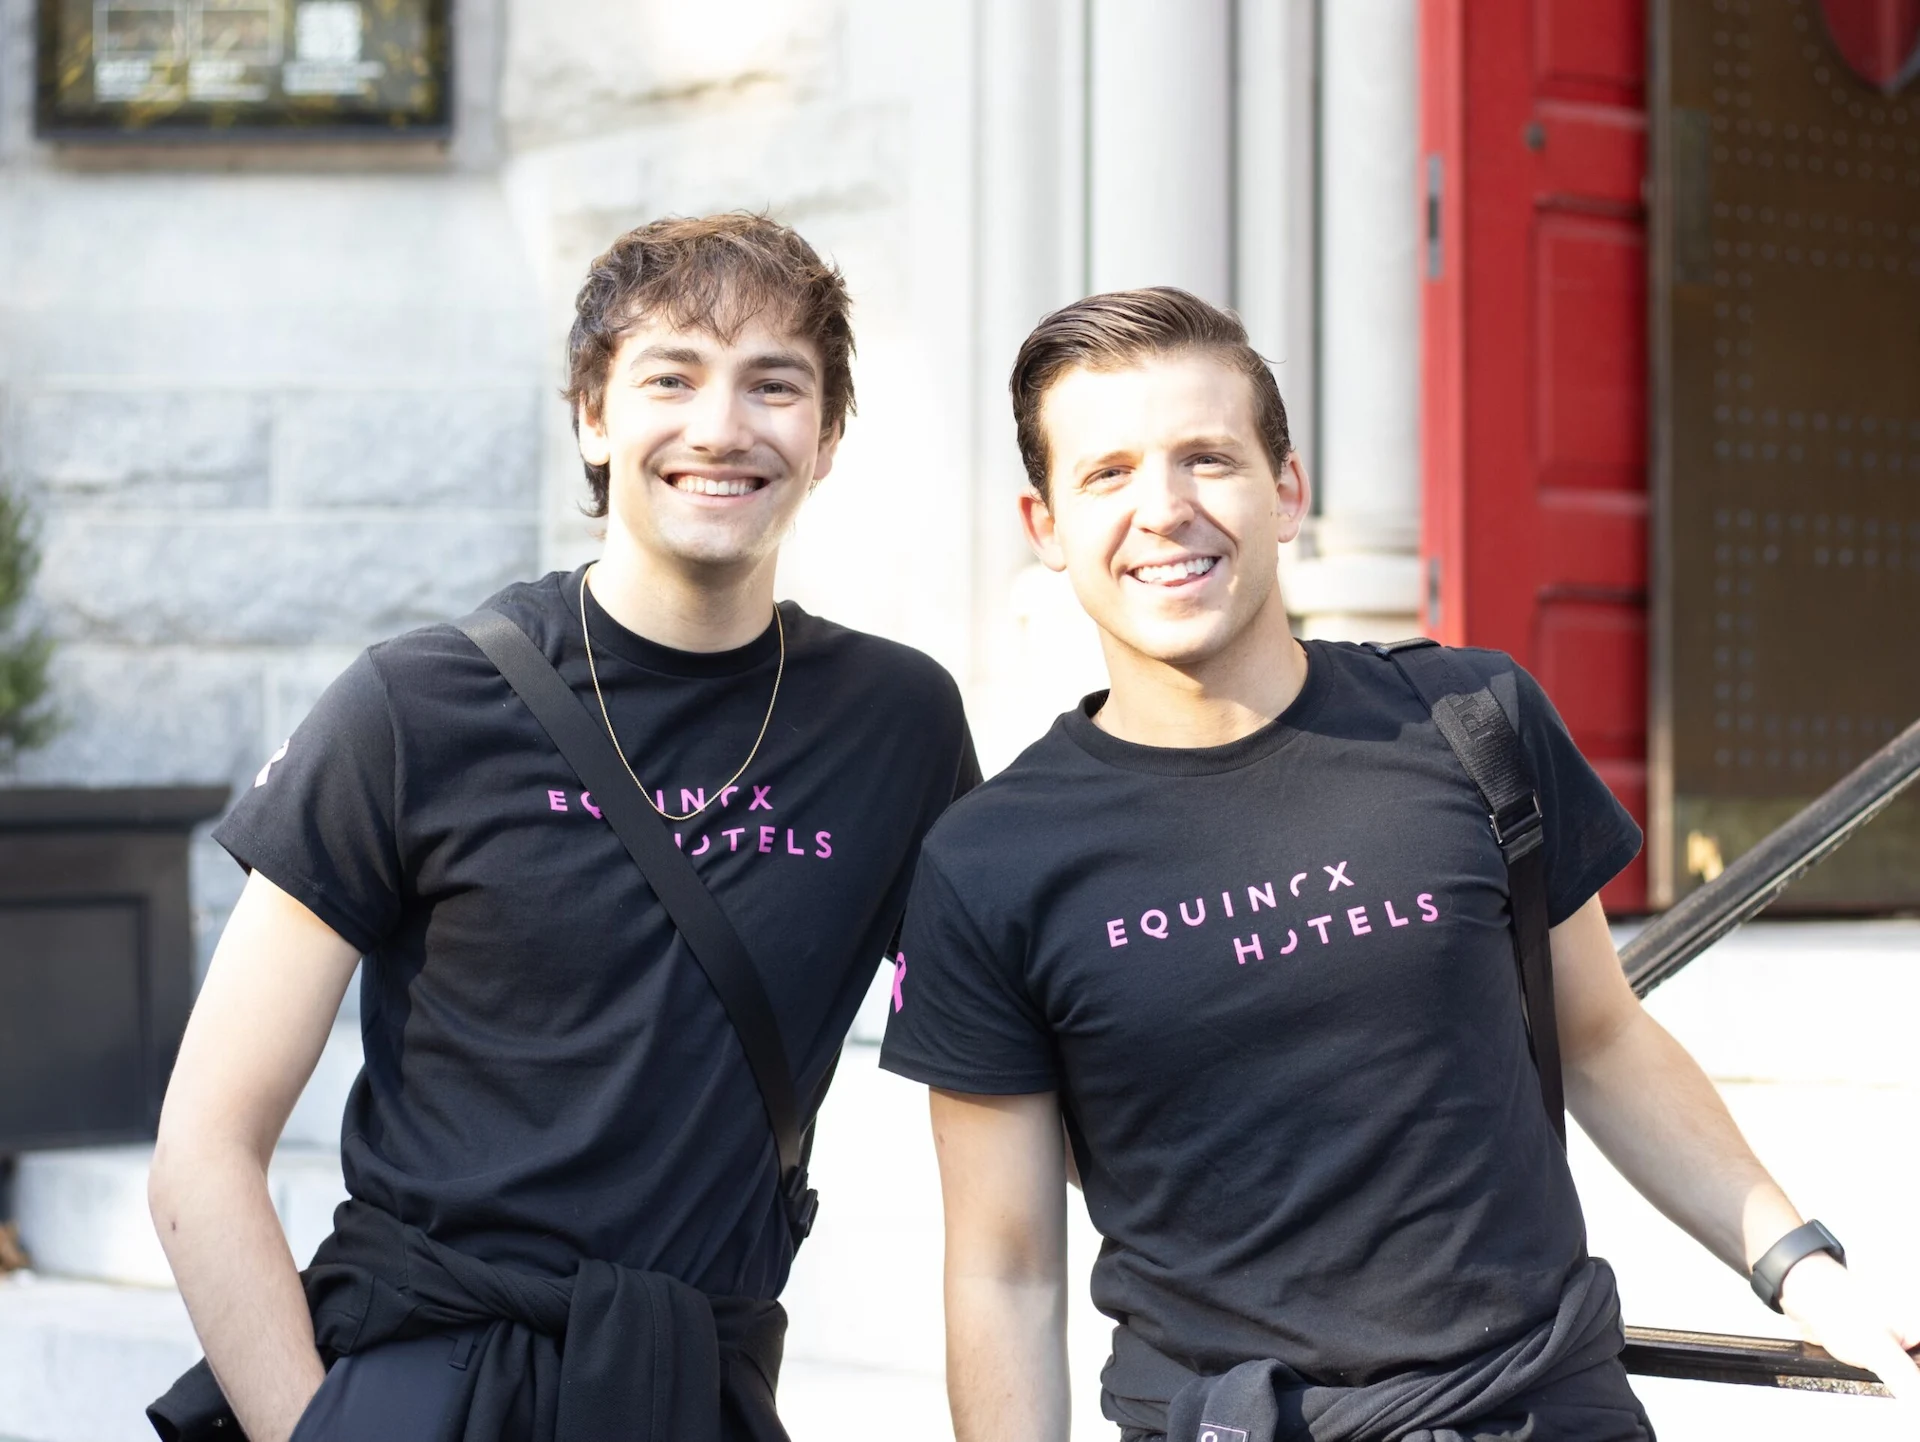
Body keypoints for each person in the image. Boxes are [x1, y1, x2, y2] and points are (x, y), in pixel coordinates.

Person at [879, 286, 1919, 1441]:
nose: (1164, 509)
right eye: (1109, 472)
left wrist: (1802, 1269)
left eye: (1208, 458)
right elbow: (1003, 1269)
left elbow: (1603, 1033)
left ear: (1288, 491)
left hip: (1538, 1409)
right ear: (1046, 526)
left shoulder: (1473, 719)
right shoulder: (990, 860)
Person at [147, 213, 978, 1442]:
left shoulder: (898, 724)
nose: (721, 426)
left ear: (828, 436)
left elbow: (1016, 1038)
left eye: (774, 383)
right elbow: (202, 1152)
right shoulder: (416, 704)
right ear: (594, 415)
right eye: (671, 377)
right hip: (427, 1378)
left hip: (697, 1387)